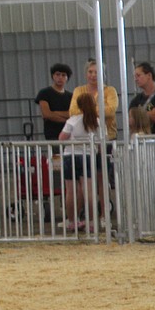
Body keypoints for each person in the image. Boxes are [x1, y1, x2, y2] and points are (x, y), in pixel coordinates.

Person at [58, 92, 100, 231]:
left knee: (70, 191)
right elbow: (101, 140)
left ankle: (72, 222)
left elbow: (62, 138)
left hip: (70, 155)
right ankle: (92, 222)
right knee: (89, 191)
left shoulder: (72, 120)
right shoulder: (97, 121)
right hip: (87, 156)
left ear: (79, 105)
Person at [69, 59, 118, 140]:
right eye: (90, 72)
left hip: (108, 136)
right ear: (86, 73)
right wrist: (99, 111)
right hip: (83, 138)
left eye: (97, 72)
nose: (93, 75)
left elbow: (111, 111)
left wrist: (85, 111)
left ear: (102, 74)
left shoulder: (110, 90)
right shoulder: (78, 90)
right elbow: (72, 112)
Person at [129, 62, 155, 134]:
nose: (136, 79)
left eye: (138, 75)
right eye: (135, 77)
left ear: (149, 75)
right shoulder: (136, 99)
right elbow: (130, 120)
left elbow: (154, 116)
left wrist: (137, 115)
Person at [34, 63, 73, 141]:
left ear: (67, 78)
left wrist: (54, 113)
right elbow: (46, 114)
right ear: (53, 76)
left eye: (63, 75)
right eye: (57, 74)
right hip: (52, 133)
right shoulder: (44, 93)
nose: (60, 77)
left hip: (69, 133)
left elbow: (72, 114)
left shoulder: (71, 96)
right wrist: (67, 120)